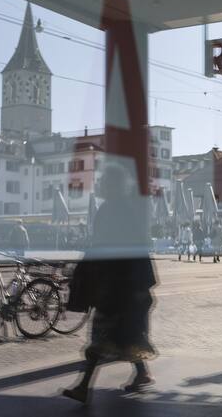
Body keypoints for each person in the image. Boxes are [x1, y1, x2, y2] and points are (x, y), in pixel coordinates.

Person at [61, 164, 157, 404]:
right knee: (125, 336)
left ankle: (84, 387)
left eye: (105, 181)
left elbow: (115, 246)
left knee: (103, 337)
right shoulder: (120, 208)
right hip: (119, 285)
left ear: (114, 185)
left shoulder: (115, 209)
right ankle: (142, 373)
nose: (101, 185)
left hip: (117, 286)